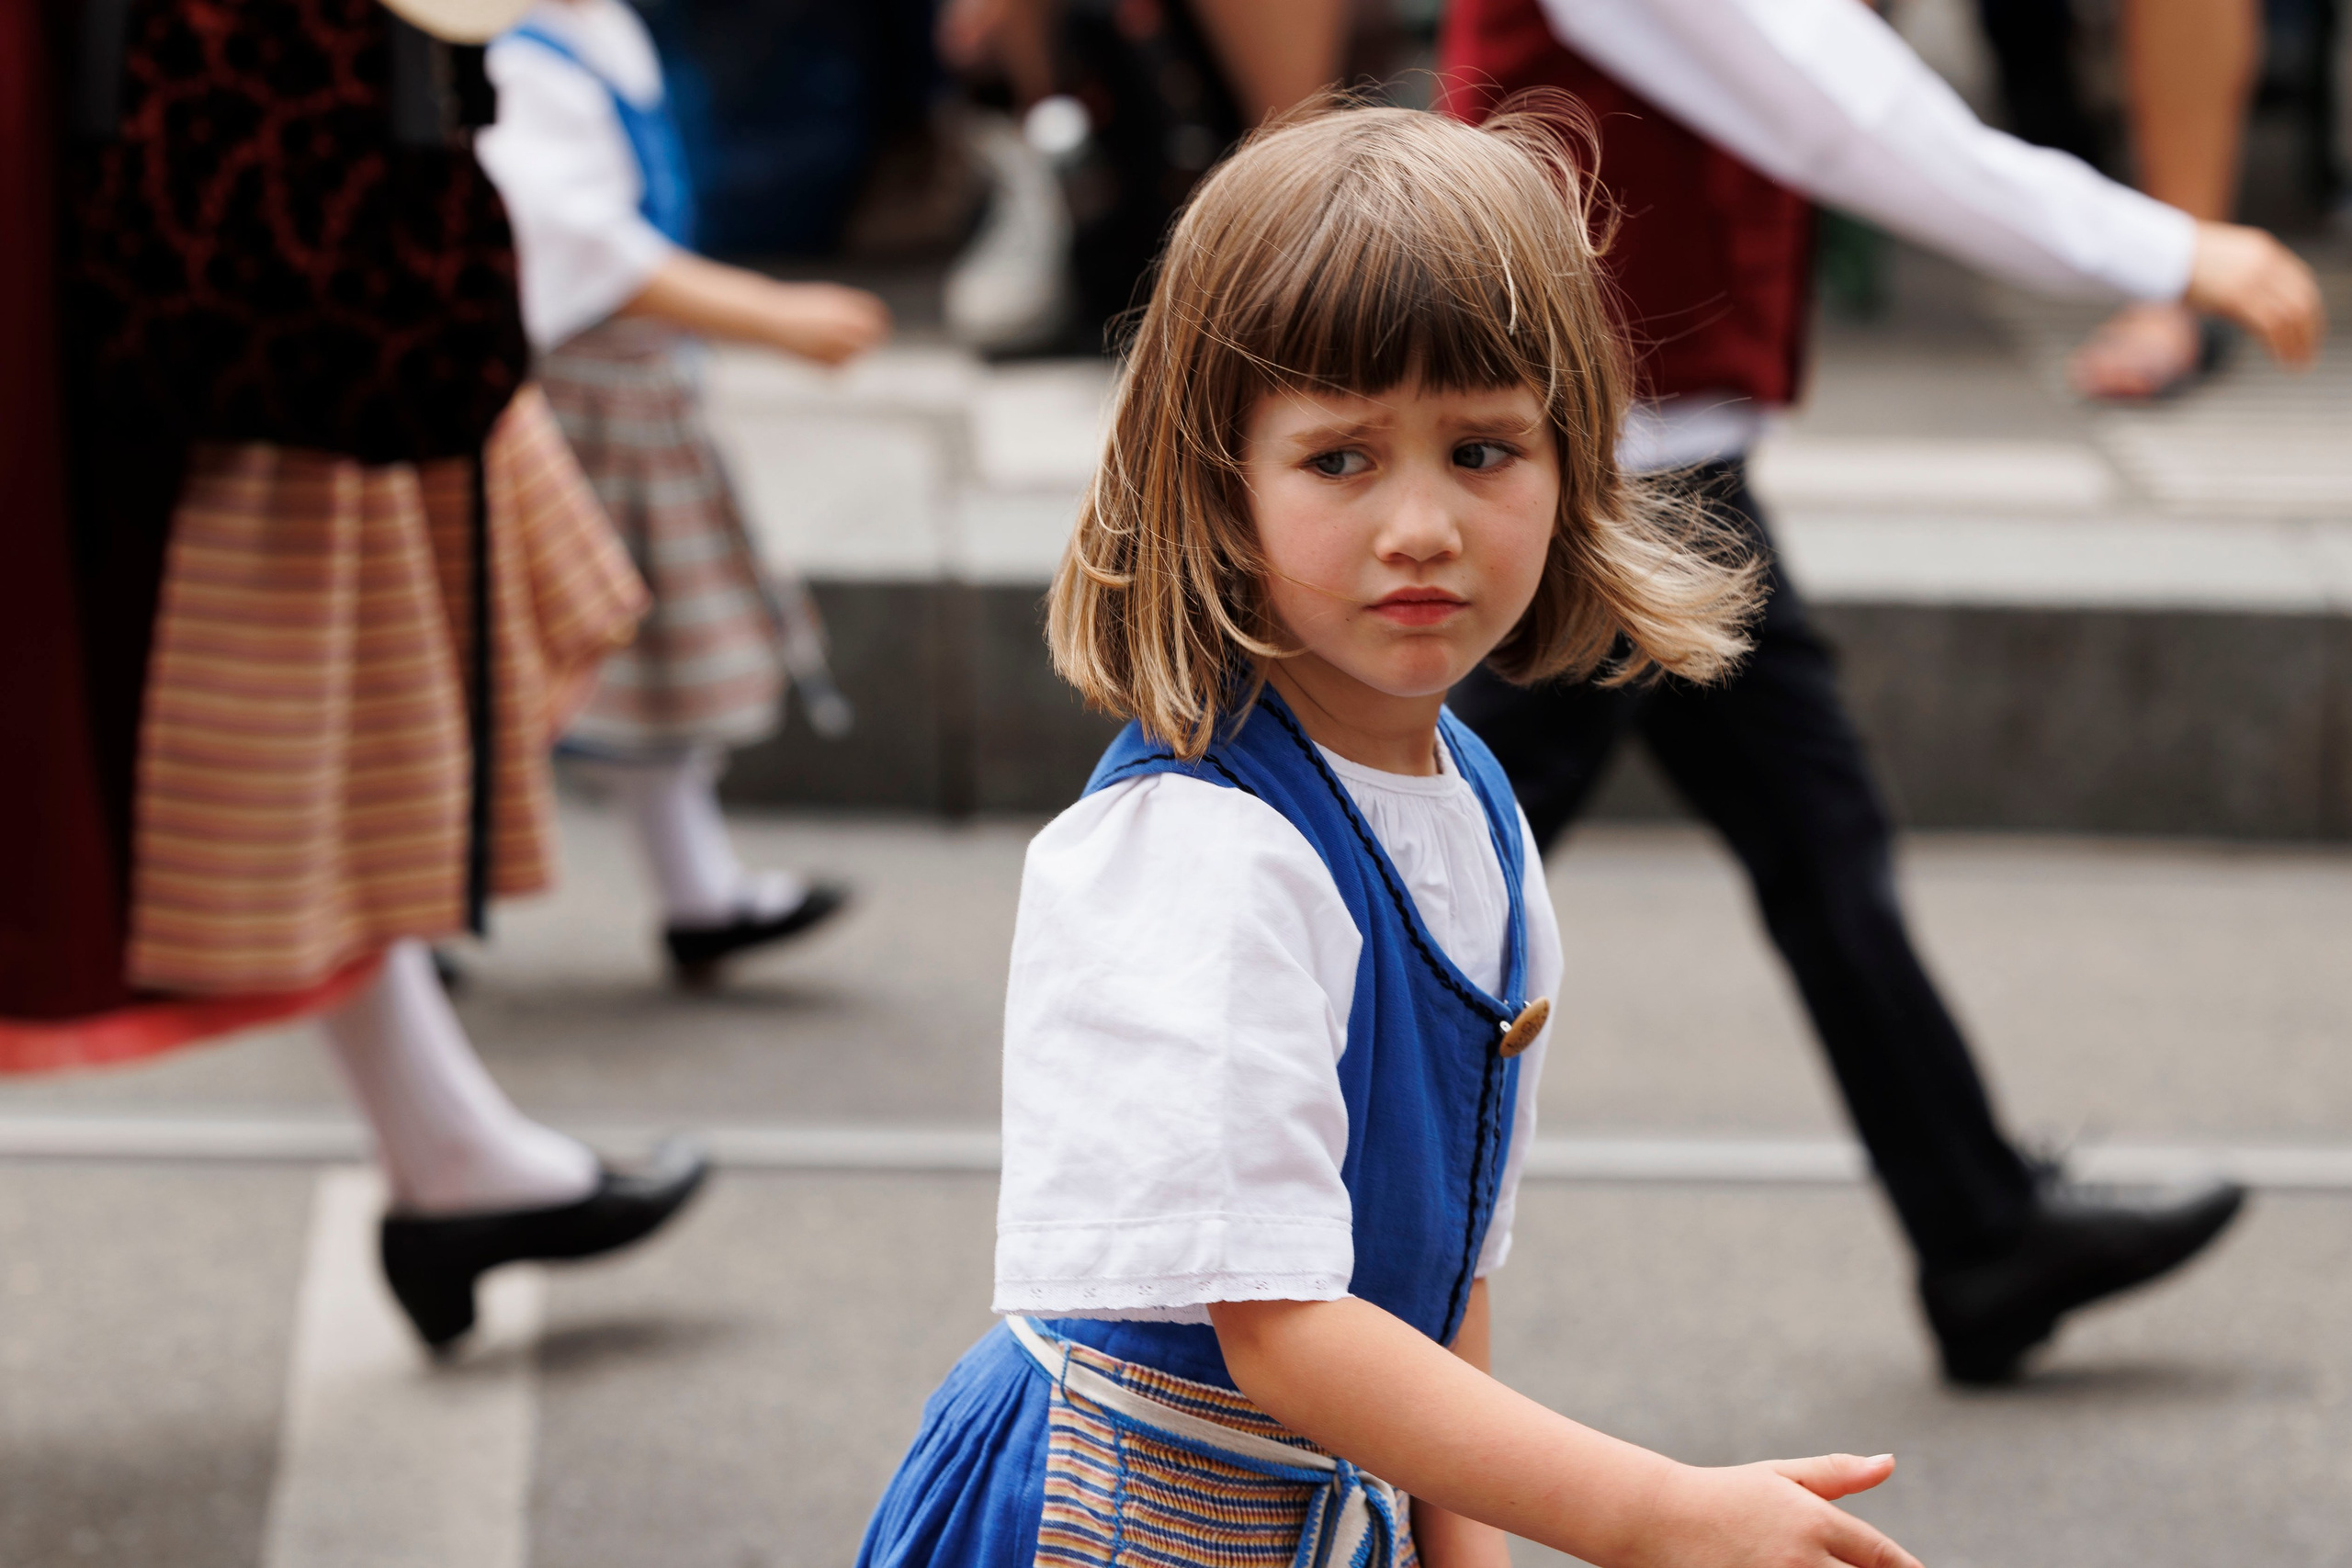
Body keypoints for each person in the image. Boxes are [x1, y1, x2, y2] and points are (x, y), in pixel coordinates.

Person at [857, 104, 1929, 1568]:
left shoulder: (1472, 803)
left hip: (1310, 1515)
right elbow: (1280, 1326)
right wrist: (1656, 1513)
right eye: (1341, 458)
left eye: (1482, 449)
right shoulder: (1203, 851)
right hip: (1115, 1518)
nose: (1421, 522)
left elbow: (1446, 1277)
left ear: (1574, 464)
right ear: (1217, 484)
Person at [1437, 0, 2324, 1382]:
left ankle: (1980, 1229)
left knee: (1809, 838)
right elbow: (1838, 105)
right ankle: (1279, 1259)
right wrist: (2165, 249)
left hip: (1647, 445)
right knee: (1431, 886)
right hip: (1605, 456)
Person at [9, 0, 707, 1351]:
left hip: (215, 164)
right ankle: (448, 1147)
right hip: (219, 167)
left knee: (302, 615)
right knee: (279, 610)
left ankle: (448, 1143)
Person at [477, 0, 891, 985]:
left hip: (630, 402)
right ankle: (412, 918)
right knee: (503, 663)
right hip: (571, 408)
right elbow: (582, 252)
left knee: (639, 659)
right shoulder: (520, 57)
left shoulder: (593, 31)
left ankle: (696, 886)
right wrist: (766, 313)